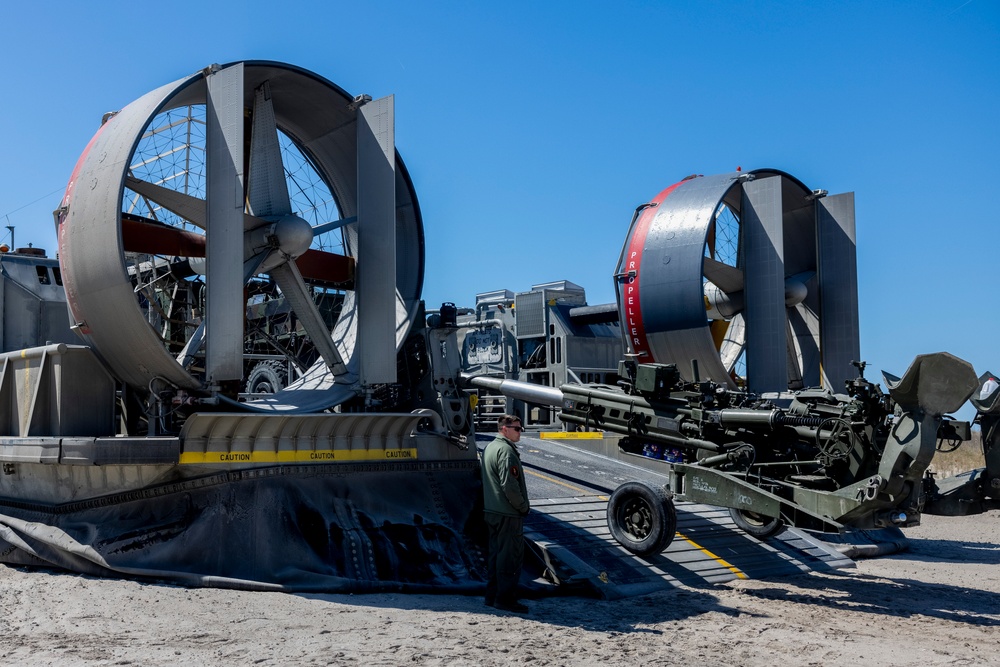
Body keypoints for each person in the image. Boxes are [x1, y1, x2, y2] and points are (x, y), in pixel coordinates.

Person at [481, 414, 530, 613]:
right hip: (507, 513)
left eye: (520, 429)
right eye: (516, 429)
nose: (520, 432)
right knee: (509, 558)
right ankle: (505, 600)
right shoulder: (506, 452)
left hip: (492, 511)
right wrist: (523, 507)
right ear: (504, 429)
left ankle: (491, 597)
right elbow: (510, 487)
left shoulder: (490, 447)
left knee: (495, 556)